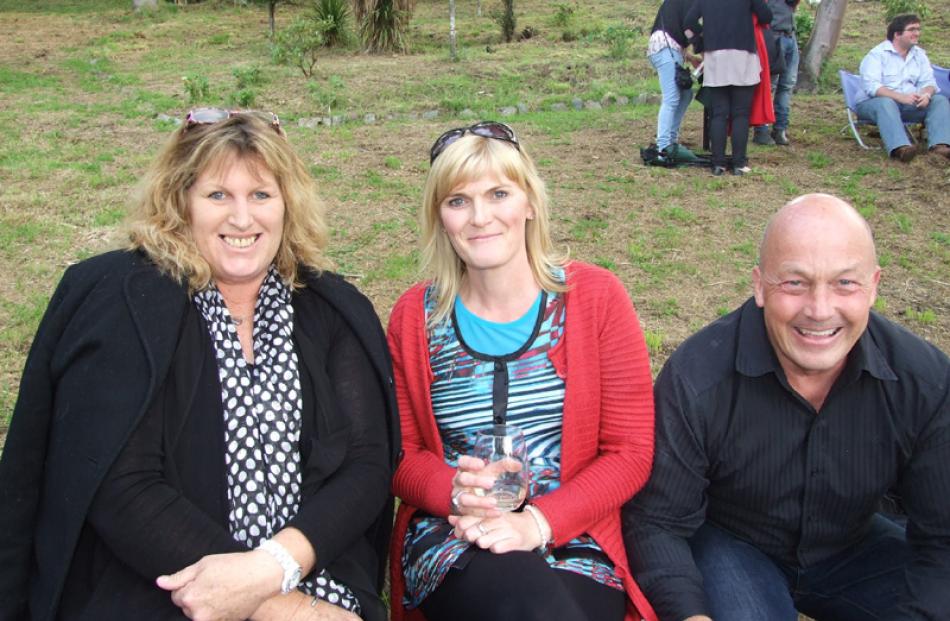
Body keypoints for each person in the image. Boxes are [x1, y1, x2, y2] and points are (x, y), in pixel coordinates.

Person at [0, 109, 399, 621]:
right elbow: (120, 483)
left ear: (287, 204)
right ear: (179, 200)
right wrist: (281, 608)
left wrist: (277, 566)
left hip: (313, 573)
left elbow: (365, 465)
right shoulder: (126, 300)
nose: (241, 217)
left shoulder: (329, 307)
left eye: (260, 195)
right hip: (159, 581)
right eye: (217, 195)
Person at [622, 193, 950, 621]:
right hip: (734, 544)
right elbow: (657, 522)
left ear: (874, 286)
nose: (818, 309)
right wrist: (689, 614)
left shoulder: (924, 381)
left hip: (854, 544)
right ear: (759, 285)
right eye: (794, 282)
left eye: (844, 283)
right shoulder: (697, 377)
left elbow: (943, 536)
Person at [387, 122, 657, 621]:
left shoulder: (595, 300)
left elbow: (630, 452)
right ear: (439, 217)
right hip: (456, 535)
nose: (480, 217)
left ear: (530, 202)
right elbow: (400, 455)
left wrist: (539, 522)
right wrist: (452, 490)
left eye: (498, 194)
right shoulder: (416, 319)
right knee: (524, 597)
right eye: (458, 201)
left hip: (575, 535)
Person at [685, 0, 773, 175]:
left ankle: (718, 164)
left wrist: (700, 42)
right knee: (741, 114)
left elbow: (688, 23)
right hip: (743, 55)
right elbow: (766, 16)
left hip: (716, 57)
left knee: (719, 114)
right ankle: (739, 164)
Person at [856, 14, 950, 163]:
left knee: (939, 100)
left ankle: (939, 147)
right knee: (886, 103)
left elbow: (929, 81)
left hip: (909, 104)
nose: (917, 33)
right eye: (911, 29)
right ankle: (901, 149)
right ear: (897, 34)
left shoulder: (920, 55)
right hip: (873, 104)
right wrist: (900, 97)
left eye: (918, 29)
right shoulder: (877, 55)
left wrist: (926, 94)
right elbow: (872, 87)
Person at [647, 0, 701, 164]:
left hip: (668, 48)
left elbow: (677, 28)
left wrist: (690, 57)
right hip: (665, 48)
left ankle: (670, 140)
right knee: (671, 98)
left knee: (685, 94)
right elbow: (688, 27)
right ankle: (663, 148)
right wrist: (703, 46)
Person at [753, 0, 800, 146]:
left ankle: (780, 128)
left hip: (789, 34)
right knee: (768, 84)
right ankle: (761, 128)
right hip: (772, 34)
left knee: (787, 84)